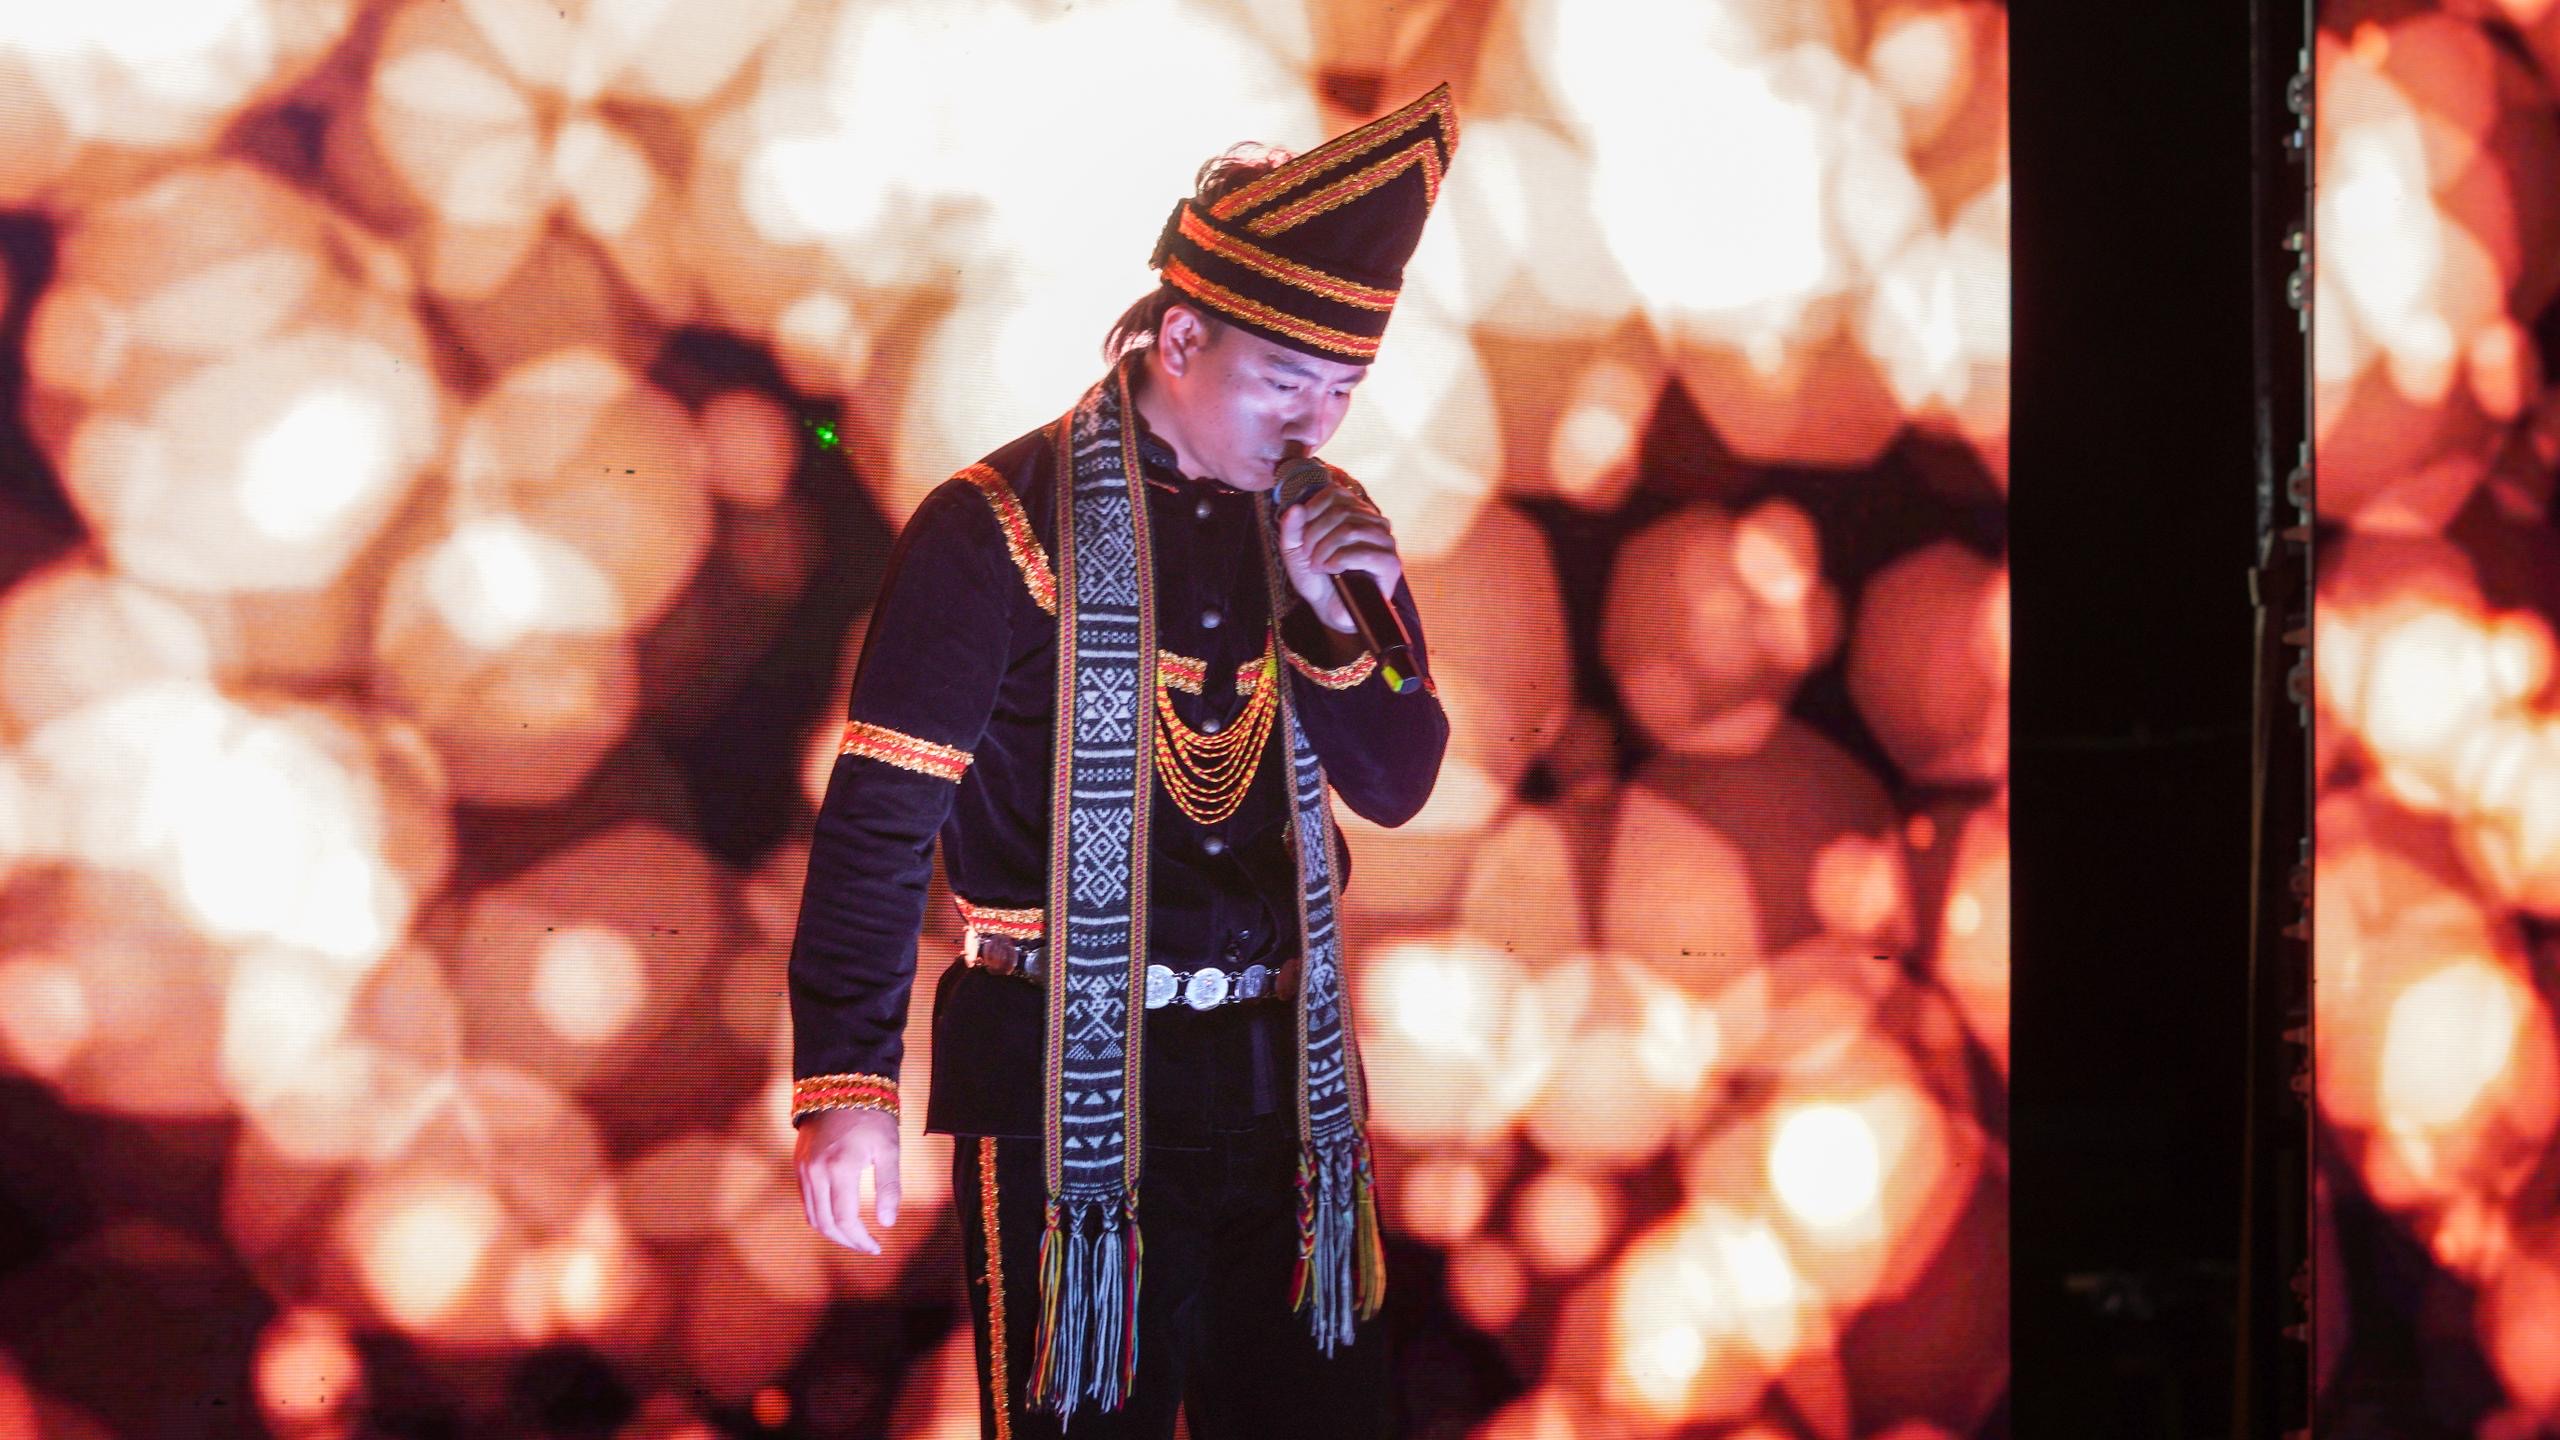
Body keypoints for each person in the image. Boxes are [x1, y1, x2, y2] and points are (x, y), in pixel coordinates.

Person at [785, 83, 1459, 1439]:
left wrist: (1342, 620)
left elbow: (1397, 786)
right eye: (1285, 381)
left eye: (1341, 391)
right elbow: (877, 827)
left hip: (1283, 1096)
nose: (1314, 424)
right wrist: (848, 1086)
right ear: (1183, 336)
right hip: (1062, 1096)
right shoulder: (993, 528)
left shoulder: (1323, 531)